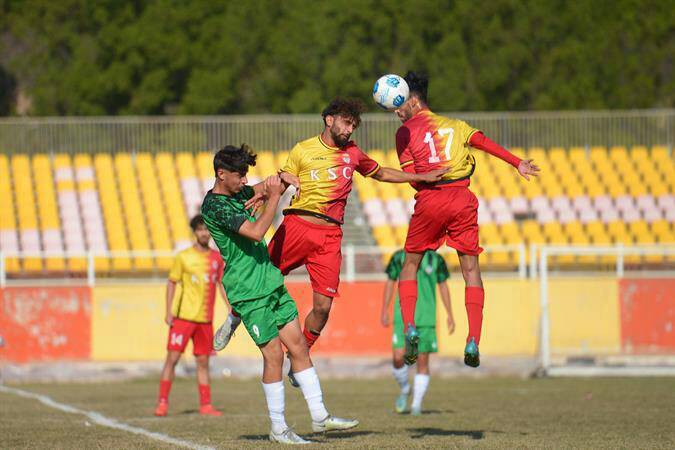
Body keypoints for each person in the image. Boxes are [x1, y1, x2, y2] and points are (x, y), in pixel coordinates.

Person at [264, 97, 447, 386]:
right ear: (329, 120)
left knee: (323, 307)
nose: (350, 130)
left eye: (354, 125)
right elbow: (284, 178)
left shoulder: (353, 153)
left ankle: (299, 355)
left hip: (330, 234)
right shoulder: (303, 149)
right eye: (347, 123)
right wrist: (267, 189)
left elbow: (383, 173)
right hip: (298, 223)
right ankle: (235, 318)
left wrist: (421, 176)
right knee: (261, 275)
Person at [201, 144, 358, 444]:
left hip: (270, 281)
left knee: (298, 346)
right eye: (239, 176)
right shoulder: (215, 207)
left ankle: (320, 416)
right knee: (273, 354)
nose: (245, 182)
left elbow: (266, 185)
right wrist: (275, 196)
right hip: (248, 290)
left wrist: (284, 177)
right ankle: (278, 428)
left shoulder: (237, 193)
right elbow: (258, 232)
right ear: (221, 174)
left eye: (246, 176)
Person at [393, 72, 540, 367]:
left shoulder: (404, 133)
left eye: (399, 105)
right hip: (461, 198)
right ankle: (473, 339)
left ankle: (409, 326)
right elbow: (482, 142)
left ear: (413, 100)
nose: (396, 112)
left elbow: (412, 178)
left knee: (410, 265)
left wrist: (429, 184)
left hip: (430, 199)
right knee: (471, 270)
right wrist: (517, 163)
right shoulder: (456, 126)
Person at [155, 215, 228, 417]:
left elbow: (220, 284)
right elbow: (172, 282)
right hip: (183, 318)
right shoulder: (183, 257)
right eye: (200, 229)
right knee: (173, 358)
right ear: (195, 232)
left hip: (205, 320)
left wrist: (230, 306)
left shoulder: (216, 258)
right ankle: (162, 403)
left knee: (203, 363)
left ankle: (205, 405)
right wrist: (168, 311)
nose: (204, 233)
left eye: (207, 229)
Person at [381, 249, 454, 415]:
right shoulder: (399, 257)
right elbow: (390, 281)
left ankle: (416, 404)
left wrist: (450, 313)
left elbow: (443, 285)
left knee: (422, 361)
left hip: (426, 318)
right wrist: (384, 309)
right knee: (398, 357)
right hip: (403, 317)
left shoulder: (437, 260)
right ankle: (405, 388)